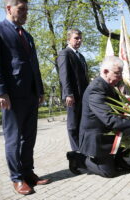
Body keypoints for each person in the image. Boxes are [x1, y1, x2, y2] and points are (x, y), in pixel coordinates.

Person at [0, 0, 49, 195]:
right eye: (22, 10)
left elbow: (33, 65)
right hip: (11, 95)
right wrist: (0, 91)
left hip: (30, 94)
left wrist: (39, 90)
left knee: (29, 137)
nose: (25, 13)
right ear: (9, 8)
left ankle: (28, 173)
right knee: (13, 138)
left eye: (27, 10)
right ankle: (17, 178)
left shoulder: (27, 35)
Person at [67, 56, 130, 178]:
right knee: (108, 173)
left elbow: (119, 112)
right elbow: (109, 119)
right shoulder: (96, 90)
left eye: (120, 73)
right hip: (96, 137)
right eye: (117, 73)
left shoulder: (109, 86)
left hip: (108, 132)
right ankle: (78, 159)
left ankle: (117, 159)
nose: (120, 76)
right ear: (106, 72)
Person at [57, 29, 89, 162]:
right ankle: (76, 153)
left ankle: (83, 150)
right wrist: (68, 94)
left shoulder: (80, 56)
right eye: (76, 38)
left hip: (84, 96)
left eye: (80, 38)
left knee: (83, 123)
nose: (79, 40)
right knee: (73, 125)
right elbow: (64, 76)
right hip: (73, 96)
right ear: (68, 39)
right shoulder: (65, 54)